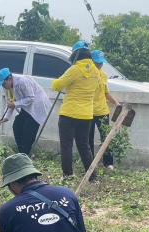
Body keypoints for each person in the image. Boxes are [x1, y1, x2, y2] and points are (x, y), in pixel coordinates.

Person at [52, 40, 100, 181]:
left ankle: (68, 175)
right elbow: (96, 89)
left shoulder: (74, 69)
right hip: (86, 115)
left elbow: (57, 85)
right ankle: (92, 177)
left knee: (66, 145)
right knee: (84, 146)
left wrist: (59, 81)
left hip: (69, 114)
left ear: (76, 54)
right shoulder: (96, 72)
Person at [0, 67, 51, 155]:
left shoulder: (22, 81)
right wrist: (5, 117)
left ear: (9, 78)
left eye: (3, 83)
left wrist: (15, 104)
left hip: (37, 106)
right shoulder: (6, 87)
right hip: (26, 107)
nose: (3, 86)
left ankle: (25, 155)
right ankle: (22, 153)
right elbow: (10, 103)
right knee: (17, 126)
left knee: (28, 132)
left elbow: (31, 98)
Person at [89, 50, 120, 170]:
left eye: (101, 63)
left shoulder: (103, 75)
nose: (100, 65)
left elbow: (106, 92)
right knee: (88, 139)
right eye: (97, 63)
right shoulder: (88, 75)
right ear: (91, 61)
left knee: (106, 138)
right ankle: (90, 163)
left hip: (102, 111)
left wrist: (116, 103)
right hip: (88, 111)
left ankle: (108, 163)